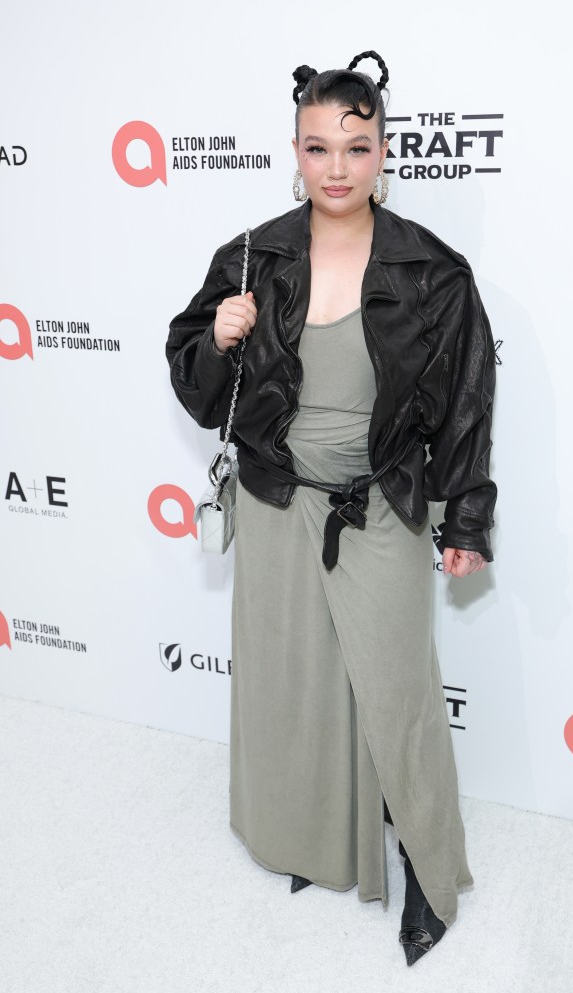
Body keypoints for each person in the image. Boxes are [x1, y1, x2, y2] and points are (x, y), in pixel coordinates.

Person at [165, 50, 497, 967]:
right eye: (319, 148)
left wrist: (464, 519)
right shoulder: (252, 254)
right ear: (296, 153)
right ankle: (314, 843)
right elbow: (195, 379)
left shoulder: (432, 271)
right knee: (296, 685)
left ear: (384, 150)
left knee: (398, 695)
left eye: (356, 146)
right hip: (277, 501)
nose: (338, 167)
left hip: (381, 503)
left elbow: (467, 402)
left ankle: (431, 875)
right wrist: (214, 336)